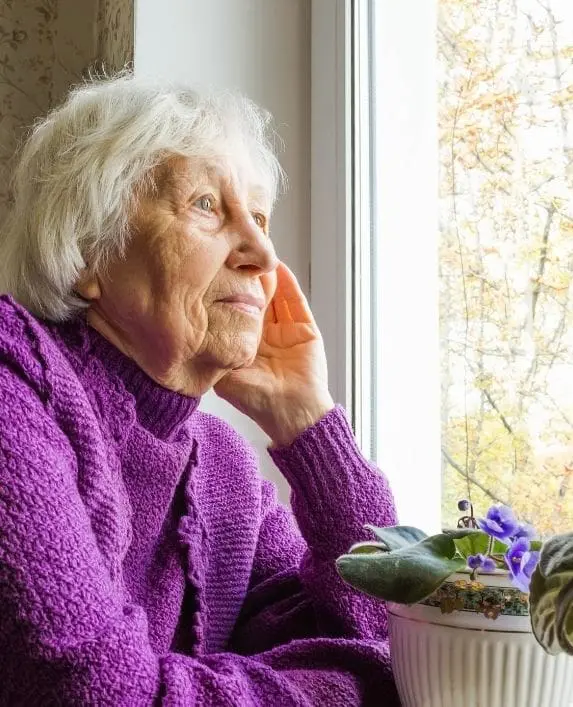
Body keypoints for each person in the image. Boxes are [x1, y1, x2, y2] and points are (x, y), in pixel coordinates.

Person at [0, 75, 400, 706]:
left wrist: (310, 427)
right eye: (207, 205)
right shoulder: (13, 388)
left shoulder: (220, 467)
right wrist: (358, 687)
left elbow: (385, 637)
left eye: (261, 217)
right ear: (86, 253)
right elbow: (91, 693)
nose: (264, 253)